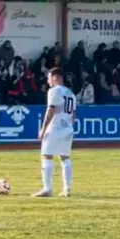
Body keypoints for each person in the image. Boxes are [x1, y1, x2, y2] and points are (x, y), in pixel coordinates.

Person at [34, 67, 75, 198]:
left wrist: (43, 129)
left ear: (55, 77)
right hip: (67, 128)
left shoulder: (54, 91)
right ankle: (67, 189)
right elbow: (74, 113)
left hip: (55, 127)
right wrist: (69, 125)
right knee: (65, 157)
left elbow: (50, 110)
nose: (48, 81)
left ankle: (47, 188)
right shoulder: (71, 93)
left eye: (49, 78)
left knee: (47, 156)